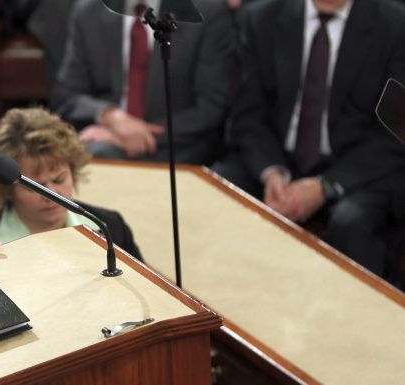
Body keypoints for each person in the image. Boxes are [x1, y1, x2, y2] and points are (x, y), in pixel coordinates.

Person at [213, 0, 405, 276]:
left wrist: (326, 186)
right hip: (278, 155)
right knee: (219, 186)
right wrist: (271, 172)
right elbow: (248, 113)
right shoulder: (262, 17)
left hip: (357, 168)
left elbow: (393, 133)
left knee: (352, 219)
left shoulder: (395, 25)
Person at [49, 0, 234, 165]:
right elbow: (66, 95)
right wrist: (110, 116)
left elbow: (212, 107)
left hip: (178, 145)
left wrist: (130, 135)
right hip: (105, 141)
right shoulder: (90, 10)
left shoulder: (206, 10)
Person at [0, 107, 142, 260]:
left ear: (73, 171)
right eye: (33, 187)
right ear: (8, 190)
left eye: (59, 179)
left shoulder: (112, 228)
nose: (51, 195)